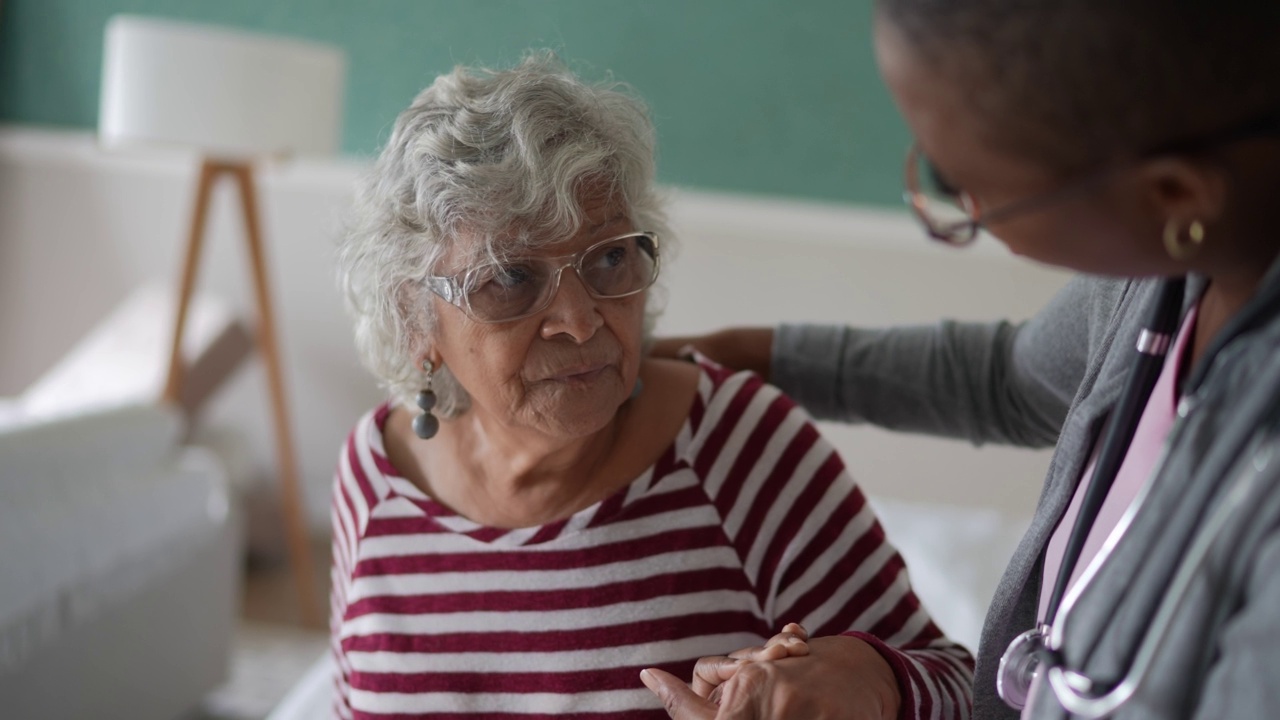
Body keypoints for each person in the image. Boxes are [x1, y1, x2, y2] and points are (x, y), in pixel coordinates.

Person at [640, 2, 1280, 719]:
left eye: (953, 185)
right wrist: (743, 355)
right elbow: (1008, 380)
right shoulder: (1167, 275)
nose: (949, 201)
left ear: (1174, 195)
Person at [330, 52, 972, 719]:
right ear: (415, 318)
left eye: (609, 257)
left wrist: (871, 684)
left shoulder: (741, 447)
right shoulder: (373, 477)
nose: (581, 321)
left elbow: (962, 693)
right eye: (511, 278)